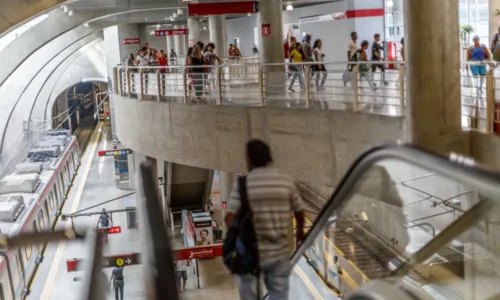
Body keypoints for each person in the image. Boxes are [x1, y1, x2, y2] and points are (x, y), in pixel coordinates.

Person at [225, 139, 305, 300]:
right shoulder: (286, 181)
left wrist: (239, 236)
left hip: (251, 254)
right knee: (279, 296)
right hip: (280, 254)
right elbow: (299, 210)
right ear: (269, 158)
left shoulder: (243, 184)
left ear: (249, 159)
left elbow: (229, 217)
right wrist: (299, 234)